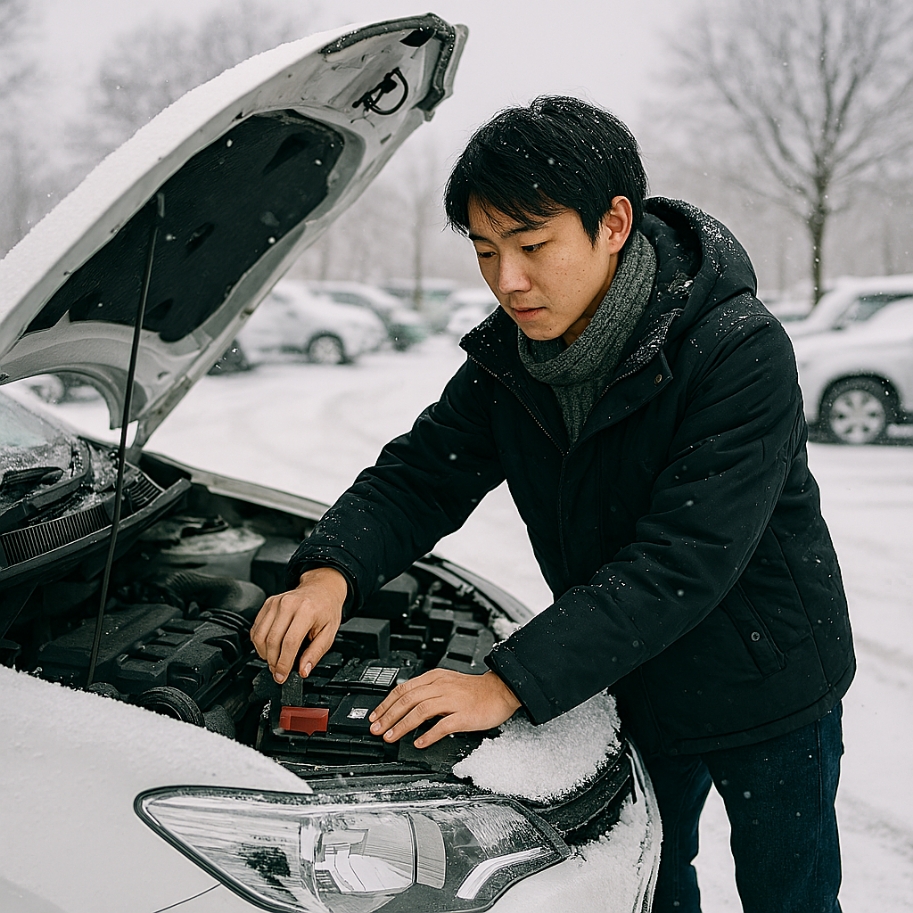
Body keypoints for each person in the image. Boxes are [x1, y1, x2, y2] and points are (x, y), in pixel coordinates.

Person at [250, 96, 853, 913]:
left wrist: (508, 681)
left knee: (791, 898)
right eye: (486, 249)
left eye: (531, 245)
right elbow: (426, 470)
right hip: (627, 675)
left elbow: (685, 556)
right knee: (648, 887)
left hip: (764, 680)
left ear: (611, 222)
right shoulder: (514, 356)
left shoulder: (735, 348)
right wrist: (331, 571)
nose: (508, 280)